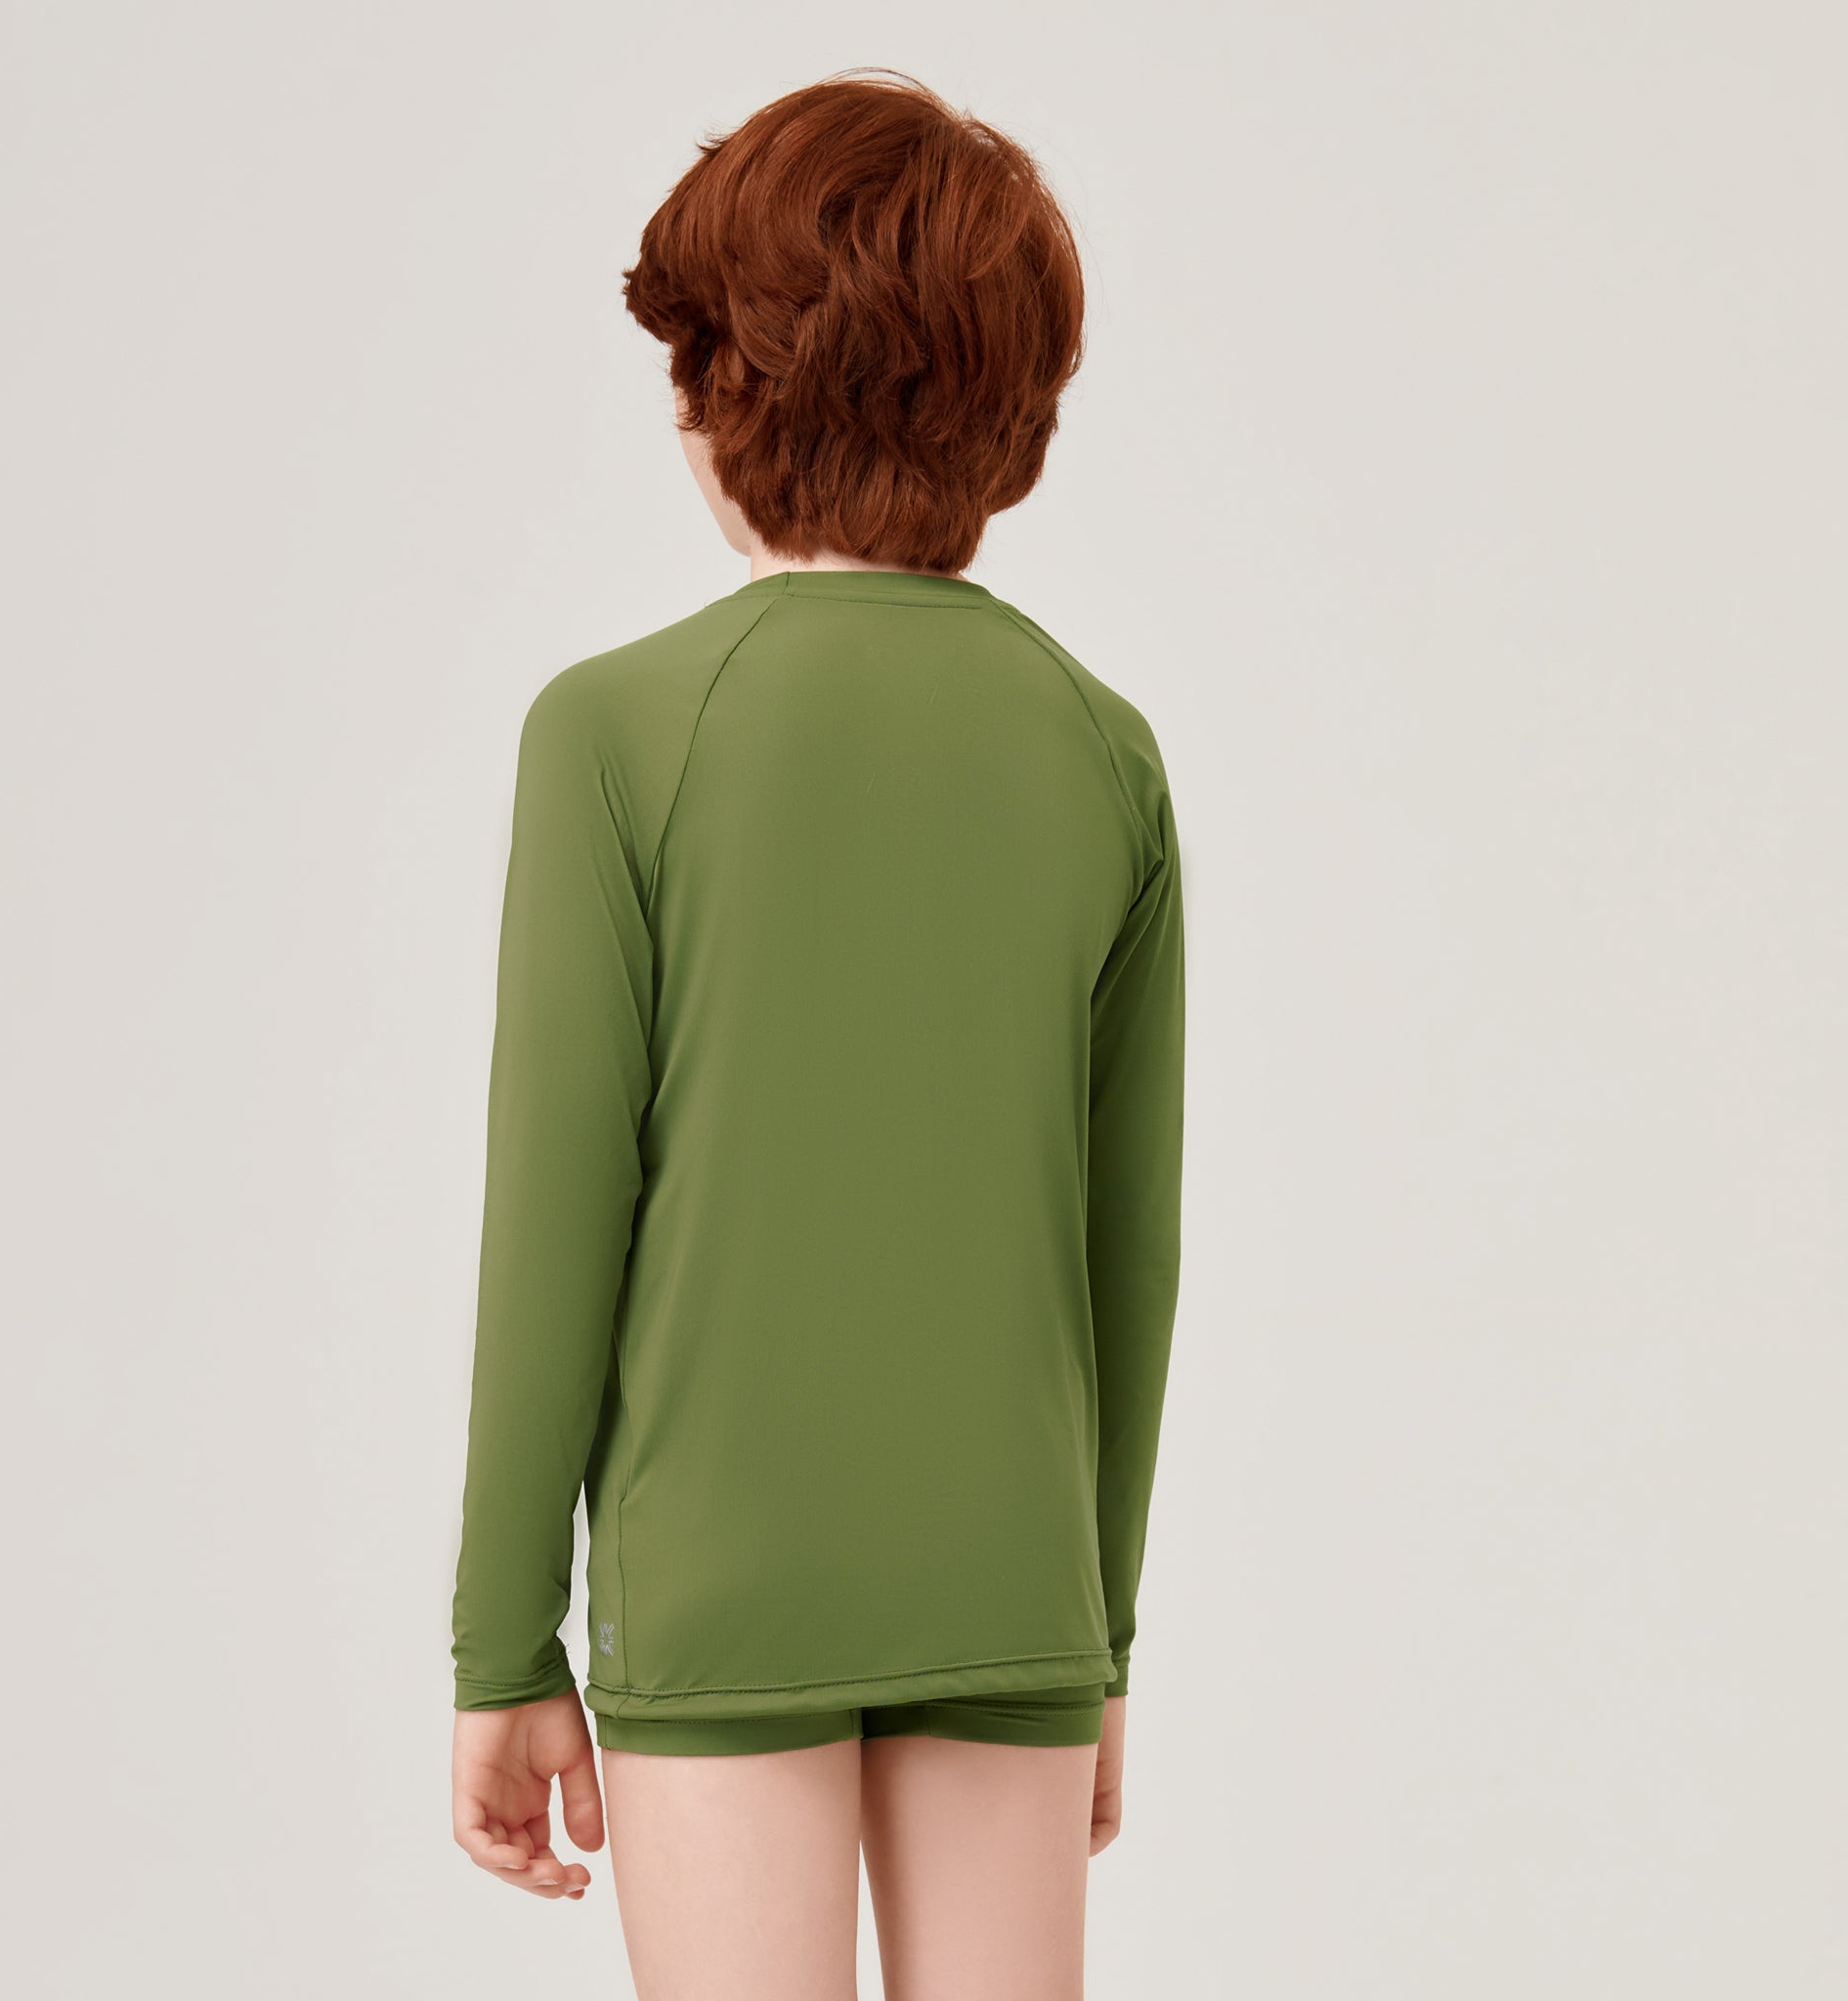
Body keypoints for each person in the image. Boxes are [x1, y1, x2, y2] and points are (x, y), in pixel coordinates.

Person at [449, 70, 1185, 2001]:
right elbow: (1128, 1245)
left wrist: (501, 1646)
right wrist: (1097, 1636)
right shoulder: (1101, 749)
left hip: (723, 1578)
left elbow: (555, 1219)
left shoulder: (615, 731)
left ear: (725, 391)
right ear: (1014, 405)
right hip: (1012, 1573)